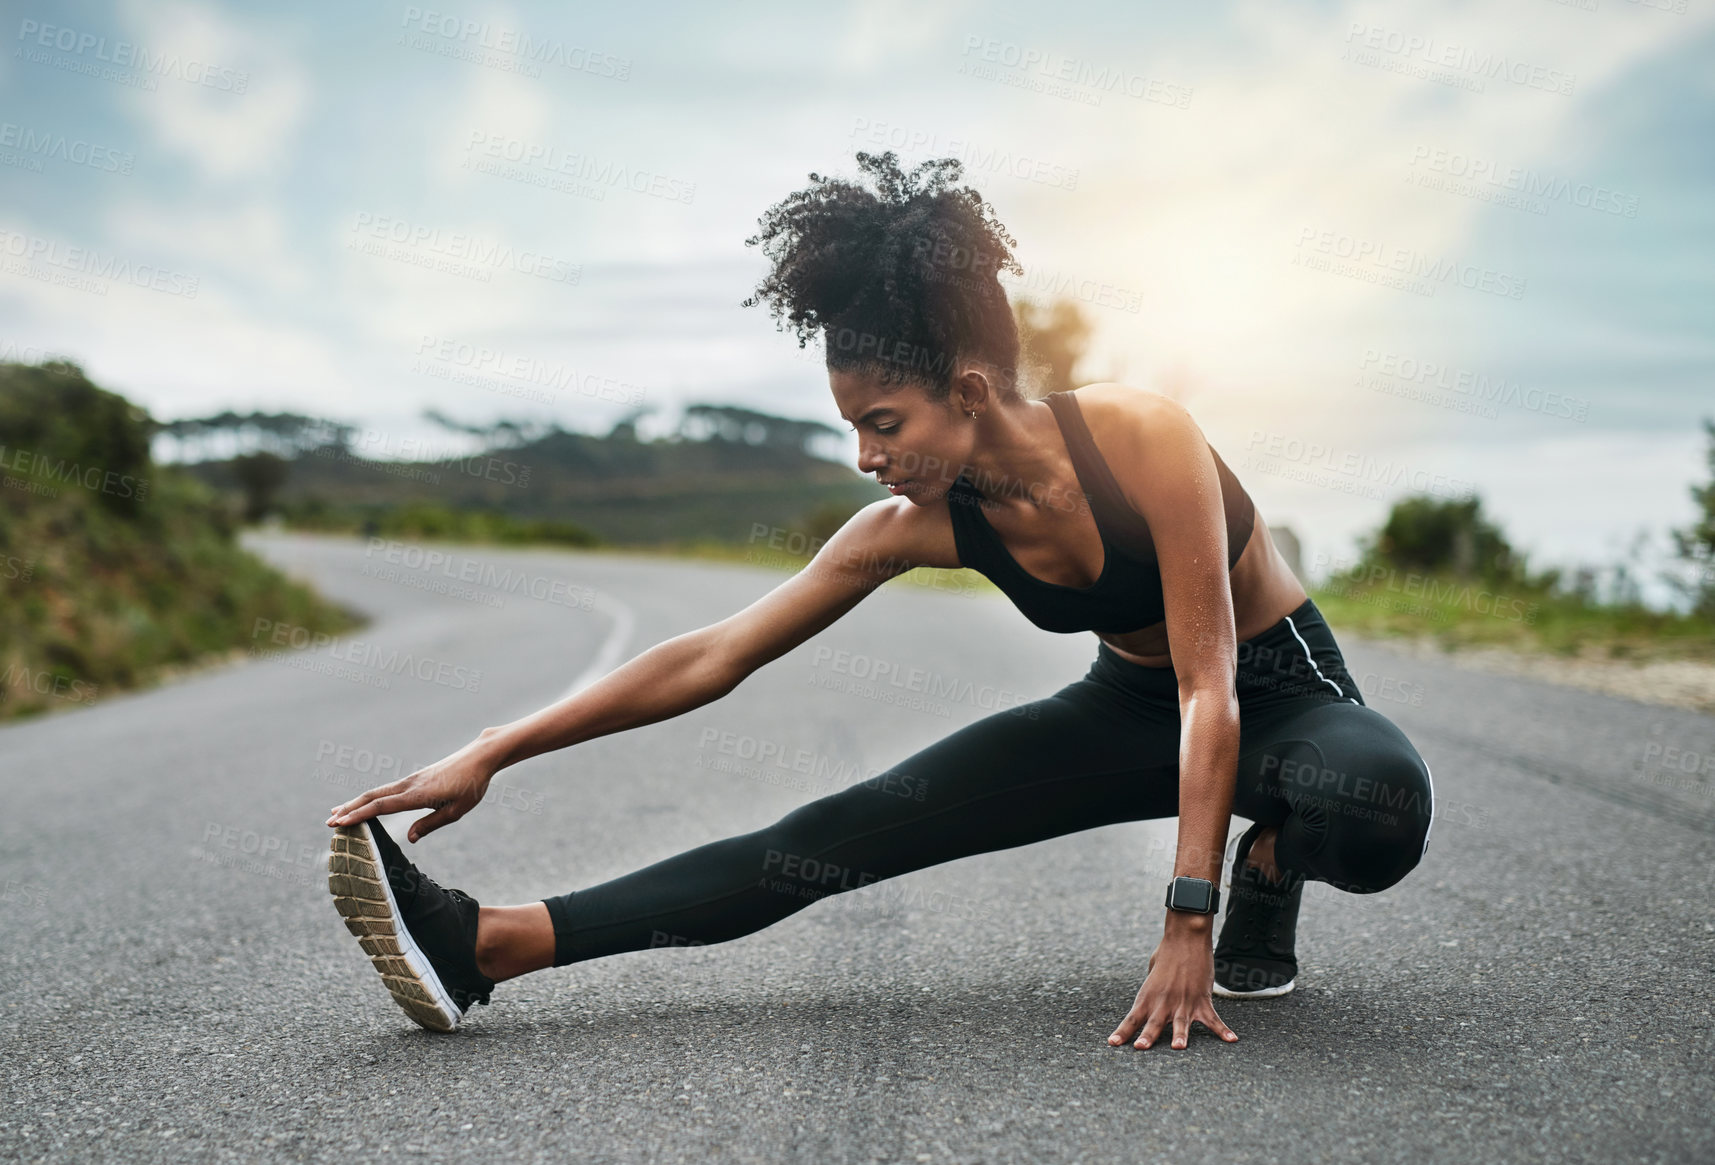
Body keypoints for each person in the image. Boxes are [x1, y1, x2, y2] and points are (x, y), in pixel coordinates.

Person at [325, 152, 1435, 1048]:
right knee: (826, 835)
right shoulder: (915, 522)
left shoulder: (1141, 437)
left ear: (965, 390)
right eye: (849, 426)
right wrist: (495, 745)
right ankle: (488, 945)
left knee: (1373, 802)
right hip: (1126, 709)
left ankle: (1269, 864)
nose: (862, 456)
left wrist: (1186, 914)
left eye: (882, 424)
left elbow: (1211, 684)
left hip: (1272, 693)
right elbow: (715, 654)